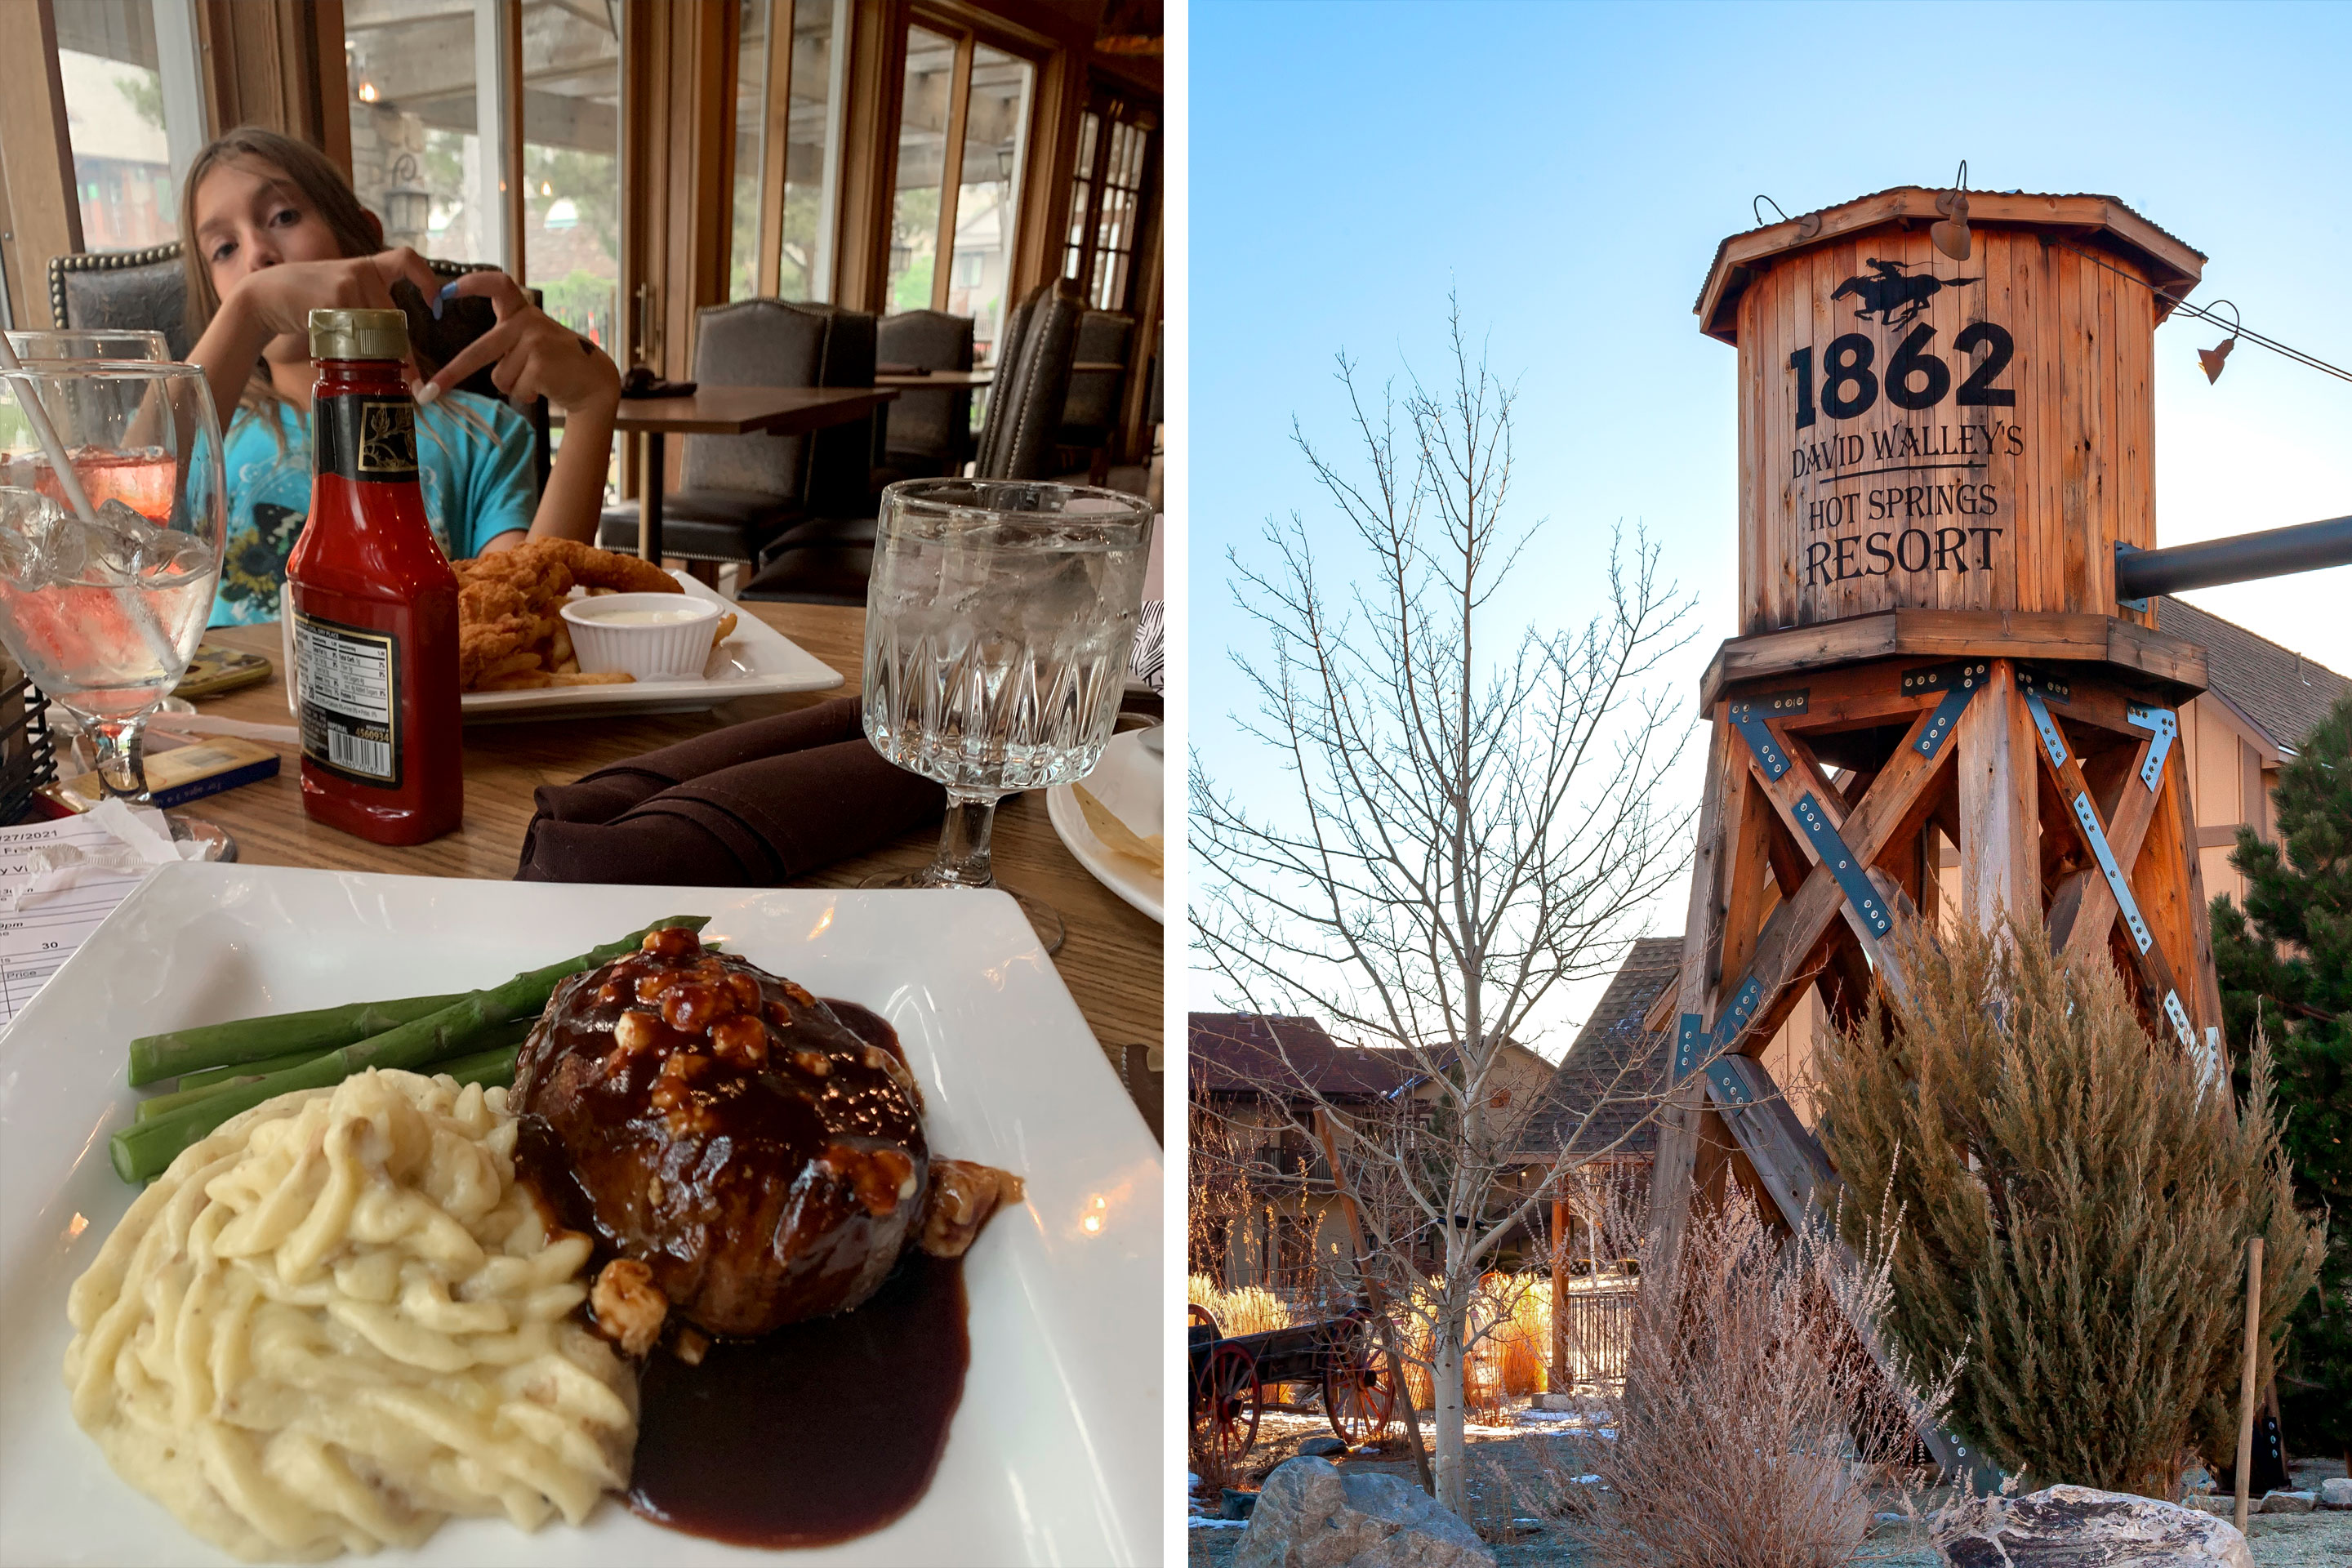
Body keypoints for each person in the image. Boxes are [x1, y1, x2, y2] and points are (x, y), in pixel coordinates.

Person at [180, 127, 621, 626]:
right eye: (223, 249)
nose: (257, 255)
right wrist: (249, 310)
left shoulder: (483, 436)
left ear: (361, 234)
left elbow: (517, 615)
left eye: (283, 216)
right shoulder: (202, 437)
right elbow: (110, 529)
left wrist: (592, 406)